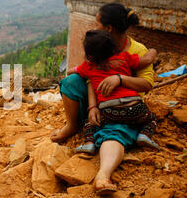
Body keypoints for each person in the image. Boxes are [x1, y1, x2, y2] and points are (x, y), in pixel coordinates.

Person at [51, 3, 156, 195]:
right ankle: (74, 125)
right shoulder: (106, 47)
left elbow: (147, 84)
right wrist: (93, 106)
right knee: (71, 82)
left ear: (108, 28)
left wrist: (119, 79)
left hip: (116, 109)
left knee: (113, 133)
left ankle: (102, 171)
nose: (94, 26)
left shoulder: (135, 50)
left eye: (97, 23)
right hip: (116, 107)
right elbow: (87, 77)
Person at [67, 30, 159, 158]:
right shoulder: (125, 58)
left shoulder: (88, 66)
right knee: (152, 118)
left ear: (90, 56)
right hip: (135, 107)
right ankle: (144, 135)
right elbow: (148, 59)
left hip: (108, 111)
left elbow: (70, 72)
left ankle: (89, 143)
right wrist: (153, 50)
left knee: (89, 122)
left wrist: (87, 70)